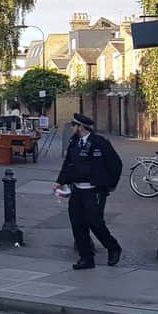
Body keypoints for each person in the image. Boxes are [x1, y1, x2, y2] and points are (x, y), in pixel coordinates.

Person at [54, 113, 123, 269]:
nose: (72, 128)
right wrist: (60, 182)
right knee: (77, 224)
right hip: (77, 190)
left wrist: (109, 185)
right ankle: (86, 258)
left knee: (95, 222)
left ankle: (113, 247)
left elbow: (116, 164)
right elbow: (68, 164)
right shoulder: (74, 143)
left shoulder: (100, 143)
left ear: (81, 127)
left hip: (94, 191)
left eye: (74, 125)